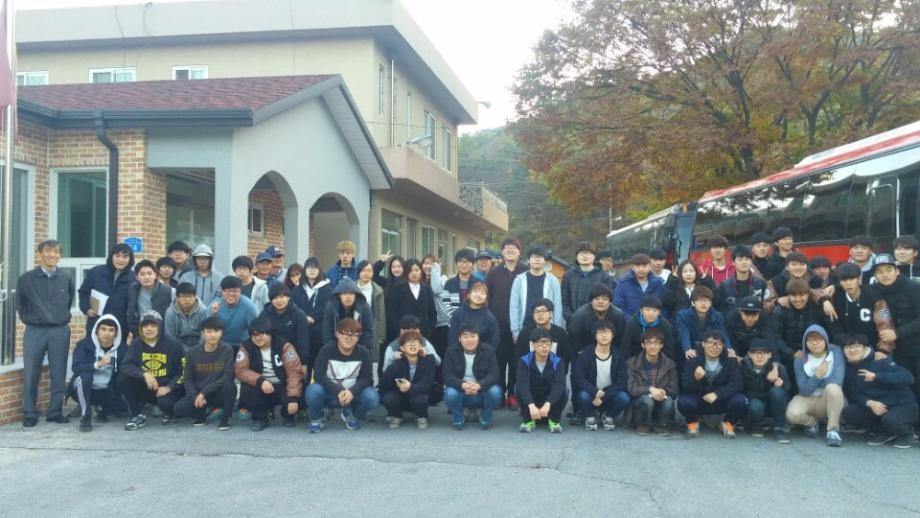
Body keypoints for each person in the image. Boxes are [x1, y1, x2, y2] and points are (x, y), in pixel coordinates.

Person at [17, 239, 75, 427]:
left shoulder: (66, 278)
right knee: (31, 372)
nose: (53, 255)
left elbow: (68, 301)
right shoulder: (26, 279)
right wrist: (32, 319)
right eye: (48, 251)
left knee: (58, 372)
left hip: (59, 330)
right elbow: (21, 305)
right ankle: (29, 413)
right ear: (40, 254)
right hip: (35, 330)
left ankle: (55, 411)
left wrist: (59, 318)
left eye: (56, 252)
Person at [841, 335, 918, 449]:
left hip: (902, 405)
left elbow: (908, 378)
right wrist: (870, 403)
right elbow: (854, 393)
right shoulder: (849, 367)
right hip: (877, 406)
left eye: (856, 346)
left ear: (865, 348)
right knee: (849, 412)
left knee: (891, 420)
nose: (852, 350)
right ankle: (885, 432)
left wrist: (877, 376)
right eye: (847, 347)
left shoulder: (880, 360)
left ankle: (907, 433)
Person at [306, 318, 379, 432]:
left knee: (372, 397)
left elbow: (367, 379)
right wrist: (338, 391)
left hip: (352, 394)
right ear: (337, 334)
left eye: (354, 335)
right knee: (313, 390)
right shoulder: (326, 350)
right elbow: (319, 375)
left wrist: (352, 392)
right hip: (329, 393)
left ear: (358, 337)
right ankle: (317, 418)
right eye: (346, 334)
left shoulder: (364, 353)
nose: (349, 338)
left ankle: (351, 414)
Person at [117, 310, 185, 431]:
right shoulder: (136, 343)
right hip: (148, 387)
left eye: (153, 325)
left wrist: (169, 387)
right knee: (123, 379)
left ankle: (168, 412)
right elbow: (125, 365)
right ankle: (136, 415)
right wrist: (144, 374)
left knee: (166, 404)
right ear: (140, 328)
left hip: (168, 389)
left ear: (160, 326)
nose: (149, 329)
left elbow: (184, 371)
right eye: (145, 326)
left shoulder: (174, 345)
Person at [235, 316, 304, 431]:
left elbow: (294, 372)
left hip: (282, 385)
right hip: (261, 386)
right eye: (254, 335)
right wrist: (260, 380)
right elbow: (240, 370)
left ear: (270, 333)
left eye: (261, 334)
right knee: (247, 390)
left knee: (302, 388)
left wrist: (292, 398)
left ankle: (287, 414)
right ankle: (260, 418)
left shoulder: (285, 346)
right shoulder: (246, 347)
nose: (257, 338)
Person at [869, 253, 920, 403]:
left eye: (888, 270)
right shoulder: (874, 289)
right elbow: (852, 288)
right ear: (875, 275)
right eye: (879, 272)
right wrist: (832, 289)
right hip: (898, 348)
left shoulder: (913, 287)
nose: (884, 275)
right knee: (906, 384)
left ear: (897, 271)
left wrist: (897, 333)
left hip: (916, 342)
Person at [678, 330, 747, 438]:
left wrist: (717, 394)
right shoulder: (693, 360)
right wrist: (696, 379)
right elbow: (685, 386)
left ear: (723, 346)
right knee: (683, 401)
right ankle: (692, 422)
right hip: (699, 399)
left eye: (719, 344)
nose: (714, 347)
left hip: (721, 399)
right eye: (710, 343)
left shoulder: (731, 360)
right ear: (703, 344)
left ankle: (728, 422)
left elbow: (737, 384)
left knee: (740, 400)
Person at [786, 325, 845, 446]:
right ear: (805, 342)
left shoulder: (836, 352)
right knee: (792, 414)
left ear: (825, 340)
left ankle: (833, 430)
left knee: (833, 387)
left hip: (829, 399)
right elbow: (804, 390)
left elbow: (837, 379)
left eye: (818, 339)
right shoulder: (800, 360)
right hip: (808, 398)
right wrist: (817, 375)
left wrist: (812, 380)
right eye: (810, 339)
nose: (814, 343)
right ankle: (812, 422)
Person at [485, 237, 527, 409]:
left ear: (519, 252)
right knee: (499, 362)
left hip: (520, 326)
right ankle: (500, 393)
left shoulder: (525, 271)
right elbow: (487, 298)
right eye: (506, 248)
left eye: (513, 247)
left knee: (517, 362)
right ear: (502, 252)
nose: (510, 250)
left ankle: (513, 395)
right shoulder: (493, 273)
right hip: (498, 326)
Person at [171, 317, 234, 430]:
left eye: (216, 331)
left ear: (221, 333)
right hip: (198, 392)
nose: (213, 335)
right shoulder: (192, 353)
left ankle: (225, 419)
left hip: (217, 391)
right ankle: (203, 412)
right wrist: (195, 396)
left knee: (230, 386)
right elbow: (187, 378)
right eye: (209, 331)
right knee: (178, 408)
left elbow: (228, 376)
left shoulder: (227, 350)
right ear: (202, 333)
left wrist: (204, 392)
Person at [572, 320, 630, 431]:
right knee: (582, 395)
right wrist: (595, 392)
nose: (604, 335)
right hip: (591, 394)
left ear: (613, 335)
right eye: (600, 332)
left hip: (609, 394)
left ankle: (608, 416)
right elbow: (578, 378)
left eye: (607, 332)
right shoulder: (586, 354)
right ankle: (590, 417)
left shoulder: (618, 356)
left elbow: (622, 381)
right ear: (595, 335)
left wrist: (604, 394)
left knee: (624, 398)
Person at [442, 323, 502, 430]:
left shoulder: (488, 351)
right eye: (465, 336)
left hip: (481, 391)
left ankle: (486, 414)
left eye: (473, 336)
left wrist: (479, 385)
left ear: (478, 337)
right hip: (461, 391)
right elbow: (447, 376)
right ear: (459, 338)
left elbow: (494, 374)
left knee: (496, 391)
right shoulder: (451, 352)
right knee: (450, 393)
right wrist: (462, 385)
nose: (470, 340)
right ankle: (458, 415)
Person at [69, 314, 123, 431]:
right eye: (103, 329)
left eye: (111, 330)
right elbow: (76, 367)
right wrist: (97, 364)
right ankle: (85, 415)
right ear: (97, 331)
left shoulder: (122, 349)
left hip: (107, 391)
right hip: (85, 389)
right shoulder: (84, 345)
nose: (107, 333)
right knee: (85, 376)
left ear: (116, 333)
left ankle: (102, 409)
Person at [774, 278, 832, 379]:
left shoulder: (817, 308)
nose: (798, 299)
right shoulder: (780, 311)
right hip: (790, 356)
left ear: (808, 295)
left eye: (802, 295)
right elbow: (776, 337)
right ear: (788, 296)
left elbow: (827, 331)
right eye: (793, 295)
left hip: (816, 352)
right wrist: (792, 353)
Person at [380, 331, 436, 429]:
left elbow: (427, 383)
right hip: (400, 394)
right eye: (408, 342)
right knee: (389, 398)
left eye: (415, 342)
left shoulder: (429, 359)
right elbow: (383, 383)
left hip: (419, 392)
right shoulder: (397, 362)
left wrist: (410, 387)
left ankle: (421, 416)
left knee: (420, 399)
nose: (412, 344)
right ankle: (396, 415)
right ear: (402, 348)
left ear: (420, 346)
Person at [627, 327, 678, 436]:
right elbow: (631, 389)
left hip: (662, 398)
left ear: (661, 345)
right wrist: (650, 390)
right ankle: (643, 424)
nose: (652, 346)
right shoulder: (632, 363)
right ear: (643, 345)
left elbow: (674, 390)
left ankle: (661, 425)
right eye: (648, 343)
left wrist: (661, 391)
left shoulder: (670, 364)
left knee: (669, 400)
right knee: (647, 400)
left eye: (656, 343)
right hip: (642, 401)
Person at [830, 262, 892, 350]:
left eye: (852, 279)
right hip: (846, 347)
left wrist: (883, 349)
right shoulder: (835, 297)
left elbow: (884, 324)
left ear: (859, 279)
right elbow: (814, 293)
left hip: (872, 348)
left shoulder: (874, 296)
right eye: (844, 280)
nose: (848, 283)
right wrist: (824, 301)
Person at [78, 242, 136, 337]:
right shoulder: (96, 272)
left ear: (130, 259)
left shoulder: (133, 278)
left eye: (125, 257)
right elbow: (83, 292)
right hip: (96, 323)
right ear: (111, 256)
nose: (121, 260)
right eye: (117, 256)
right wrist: (86, 309)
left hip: (120, 326)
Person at [516, 327, 567, 433]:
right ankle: (528, 419)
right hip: (533, 396)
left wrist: (548, 403)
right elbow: (522, 385)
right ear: (533, 344)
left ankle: (553, 420)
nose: (544, 346)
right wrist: (531, 405)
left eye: (547, 343)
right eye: (540, 343)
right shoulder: (524, 361)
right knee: (518, 388)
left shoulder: (558, 361)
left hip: (549, 398)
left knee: (563, 390)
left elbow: (559, 384)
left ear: (551, 345)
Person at [510, 245, 565, 343]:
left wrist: (556, 329)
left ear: (545, 261)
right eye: (534, 257)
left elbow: (557, 306)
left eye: (540, 257)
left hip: (547, 328)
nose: (537, 260)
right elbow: (514, 306)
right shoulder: (519, 280)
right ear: (528, 260)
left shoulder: (553, 280)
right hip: (525, 326)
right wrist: (515, 331)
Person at [742, 338, 791, 443]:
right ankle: (756, 424)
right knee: (756, 406)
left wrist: (780, 385)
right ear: (749, 354)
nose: (759, 356)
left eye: (763, 352)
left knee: (777, 392)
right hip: (754, 403)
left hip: (772, 404)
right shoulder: (743, 367)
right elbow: (741, 390)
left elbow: (788, 389)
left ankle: (779, 429)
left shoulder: (778, 368)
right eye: (755, 352)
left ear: (769, 355)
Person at [294, 257, 332, 373]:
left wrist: (313, 317)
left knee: (319, 369)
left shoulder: (327, 289)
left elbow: (327, 307)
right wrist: (303, 317)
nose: (312, 270)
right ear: (305, 270)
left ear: (319, 270)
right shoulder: (297, 289)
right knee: (302, 370)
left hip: (319, 335)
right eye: (309, 267)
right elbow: (293, 306)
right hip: (300, 334)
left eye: (315, 268)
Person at [259, 283, 310, 368]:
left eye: (282, 297)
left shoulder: (299, 315)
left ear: (288, 297)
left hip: (292, 355)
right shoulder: (265, 314)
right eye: (275, 298)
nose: (279, 301)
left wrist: (304, 363)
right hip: (270, 355)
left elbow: (303, 342)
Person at [386, 259, 438, 341]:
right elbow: (392, 314)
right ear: (406, 272)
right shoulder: (398, 290)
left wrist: (429, 328)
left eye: (416, 270)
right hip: (403, 334)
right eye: (410, 271)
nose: (414, 273)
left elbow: (432, 312)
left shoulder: (427, 289)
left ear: (421, 271)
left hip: (423, 334)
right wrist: (400, 330)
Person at [567, 284, 625, 356]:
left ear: (610, 302)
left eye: (604, 299)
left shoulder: (618, 315)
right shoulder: (580, 315)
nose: (600, 302)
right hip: (584, 352)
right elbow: (574, 339)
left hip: (610, 352)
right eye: (597, 299)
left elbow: (620, 339)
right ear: (591, 301)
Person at [676, 286, 732, 360]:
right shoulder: (683, 315)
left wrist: (728, 348)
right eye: (700, 301)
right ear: (693, 303)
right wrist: (687, 349)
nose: (703, 303)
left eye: (706, 301)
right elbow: (684, 333)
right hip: (691, 348)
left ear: (711, 303)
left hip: (710, 348)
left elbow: (722, 333)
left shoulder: (717, 316)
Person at [321, 278, 374, 353]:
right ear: (339, 295)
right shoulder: (331, 307)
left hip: (359, 348)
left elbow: (367, 333)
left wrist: (359, 351)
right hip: (335, 349)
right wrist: (334, 351)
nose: (348, 297)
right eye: (344, 293)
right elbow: (327, 332)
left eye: (351, 293)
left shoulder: (364, 307)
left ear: (356, 295)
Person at [561, 241, 609, 323]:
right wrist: (571, 318)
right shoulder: (568, 275)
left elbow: (608, 301)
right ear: (577, 256)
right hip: (573, 321)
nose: (585, 256)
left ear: (594, 256)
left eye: (588, 253)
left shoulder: (604, 276)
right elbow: (564, 301)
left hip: (597, 322)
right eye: (581, 253)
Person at [513, 298, 573, 364]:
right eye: (536, 311)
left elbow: (566, 358)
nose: (540, 314)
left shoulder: (560, 333)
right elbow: (519, 358)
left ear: (551, 313)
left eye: (543, 311)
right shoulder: (524, 334)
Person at [620, 295, 677, 361]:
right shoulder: (632, 324)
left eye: (655, 310)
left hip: (659, 360)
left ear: (659, 312)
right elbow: (625, 349)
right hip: (635, 360)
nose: (650, 313)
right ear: (641, 311)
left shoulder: (666, 326)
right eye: (647, 310)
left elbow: (669, 350)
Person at [714, 245, 768, 315]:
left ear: (751, 262)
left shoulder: (761, 283)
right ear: (733, 262)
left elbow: (763, 307)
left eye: (747, 259)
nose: (744, 262)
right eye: (740, 260)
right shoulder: (724, 286)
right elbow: (721, 310)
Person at [126, 259, 174, 338]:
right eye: (142, 274)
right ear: (136, 277)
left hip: (162, 335)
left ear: (155, 275)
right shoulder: (133, 290)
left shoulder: (169, 291)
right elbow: (130, 313)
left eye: (149, 273)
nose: (146, 277)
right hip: (140, 334)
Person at [448, 282, 500, 351]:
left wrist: (482, 354)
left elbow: (494, 340)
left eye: (482, 293)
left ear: (486, 298)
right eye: (476, 292)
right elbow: (452, 338)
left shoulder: (490, 318)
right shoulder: (458, 313)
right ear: (469, 295)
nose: (479, 295)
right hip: (459, 353)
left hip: (482, 354)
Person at [211, 276, 259, 350]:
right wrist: (213, 315)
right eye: (227, 291)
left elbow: (255, 329)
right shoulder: (215, 305)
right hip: (220, 344)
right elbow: (208, 330)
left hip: (242, 344)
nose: (231, 294)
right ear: (222, 292)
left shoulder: (249, 306)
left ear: (240, 292)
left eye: (235, 291)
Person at [355, 260, 387, 369]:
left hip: (372, 328)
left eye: (369, 271)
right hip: (353, 326)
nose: (366, 273)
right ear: (359, 272)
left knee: (371, 358)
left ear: (373, 273)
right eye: (363, 270)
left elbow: (381, 314)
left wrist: (381, 335)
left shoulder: (378, 290)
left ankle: (371, 378)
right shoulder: (351, 288)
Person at [614, 253, 664, 318]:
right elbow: (618, 307)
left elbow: (664, 306)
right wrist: (632, 321)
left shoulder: (658, 283)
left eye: (644, 266)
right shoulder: (622, 284)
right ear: (632, 267)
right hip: (630, 322)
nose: (641, 269)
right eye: (637, 266)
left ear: (650, 267)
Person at [432, 248, 476, 322]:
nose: (464, 265)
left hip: (475, 324)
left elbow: (482, 304)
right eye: (461, 261)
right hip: (454, 324)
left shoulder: (478, 283)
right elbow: (446, 306)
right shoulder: (449, 284)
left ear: (472, 264)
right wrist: (455, 321)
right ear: (456, 264)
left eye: (468, 262)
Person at [164, 282, 209, 351]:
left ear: (195, 297)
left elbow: (204, 334)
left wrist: (198, 350)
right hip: (178, 347)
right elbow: (170, 336)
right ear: (177, 298)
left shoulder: (202, 310)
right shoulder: (170, 312)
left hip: (199, 347)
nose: (187, 299)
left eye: (190, 296)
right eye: (183, 296)